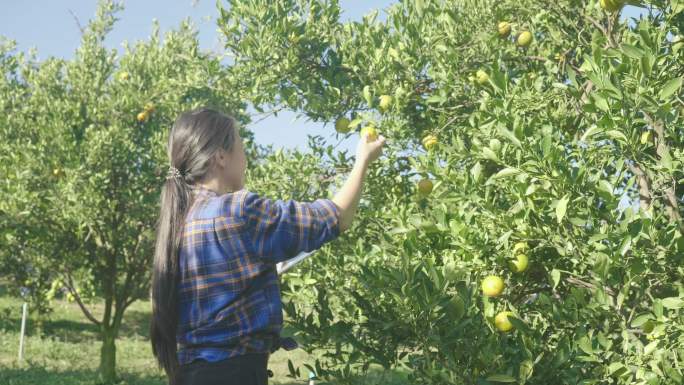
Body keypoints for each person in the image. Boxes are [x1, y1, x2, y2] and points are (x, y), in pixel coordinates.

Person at [150, 108, 386, 385]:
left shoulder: (179, 219)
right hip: (235, 374)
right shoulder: (238, 211)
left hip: (190, 374)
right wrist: (363, 160)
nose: (246, 158)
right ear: (221, 156)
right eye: (241, 145)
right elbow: (336, 217)